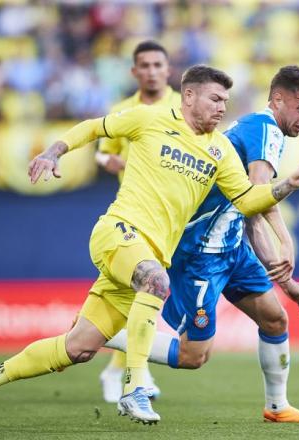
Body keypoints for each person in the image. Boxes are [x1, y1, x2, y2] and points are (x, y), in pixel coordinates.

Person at [0, 65, 299, 426]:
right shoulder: (152, 119)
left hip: (153, 252)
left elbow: (248, 200)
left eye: (225, 102)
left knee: (78, 348)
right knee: (155, 282)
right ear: (188, 96)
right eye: (214, 99)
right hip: (118, 233)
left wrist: (288, 184)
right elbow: (94, 128)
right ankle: (135, 388)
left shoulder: (221, 151)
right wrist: (53, 150)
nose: (221, 108)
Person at [105, 65, 299, 423]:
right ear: (278, 99)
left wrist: (287, 283)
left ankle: (277, 407)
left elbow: (249, 214)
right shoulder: (265, 128)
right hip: (200, 254)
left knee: (275, 319)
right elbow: (258, 197)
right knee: (195, 356)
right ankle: (108, 332)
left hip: (231, 245)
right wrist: (286, 244)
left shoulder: (257, 129)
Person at [96, 40, 181, 404]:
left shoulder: (184, 106)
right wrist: (109, 163)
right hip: (133, 215)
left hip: (173, 217)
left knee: (148, 298)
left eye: (157, 64)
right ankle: (129, 371)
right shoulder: (122, 110)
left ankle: (125, 367)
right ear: (134, 72)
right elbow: (102, 153)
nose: (150, 71)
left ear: (168, 69)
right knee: (142, 294)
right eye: (143, 65)